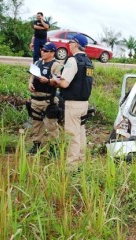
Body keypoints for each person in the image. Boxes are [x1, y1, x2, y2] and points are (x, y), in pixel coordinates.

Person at [53, 34, 94, 167]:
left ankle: (71, 167)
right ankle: (80, 163)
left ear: (75, 44)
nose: (68, 44)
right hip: (84, 104)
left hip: (73, 104)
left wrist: (55, 81)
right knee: (81, 134)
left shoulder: (72, 60)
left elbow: (64, 84)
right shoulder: (89, 62)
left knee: (72, 135)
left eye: (70, 42)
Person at [28, 42, 62, 155]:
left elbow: (59, 83)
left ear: (52, 53)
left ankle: (54, 149)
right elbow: (31, 76)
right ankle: (36, 145)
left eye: (46, 50)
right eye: (42, 49)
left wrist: (48, 81)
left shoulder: (56, 65)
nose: (42, 52)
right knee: (36, 124)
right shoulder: (37, 62)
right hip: (35, 99)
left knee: (51, 125)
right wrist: (30, 84)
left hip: (48, 100)